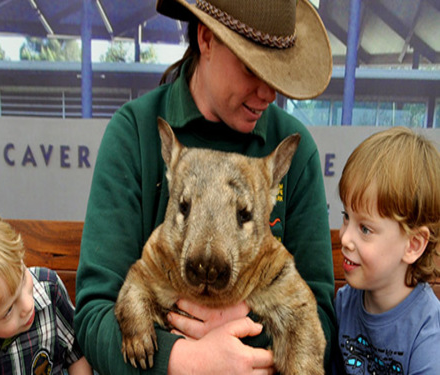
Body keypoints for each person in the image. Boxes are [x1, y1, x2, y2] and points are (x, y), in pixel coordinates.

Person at [75, 0, 337, 373]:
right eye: (252, 69)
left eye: (277, 74)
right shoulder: (136, 132)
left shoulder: (292, 147)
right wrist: (182, 360)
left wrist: (241, 333)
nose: (268, 93)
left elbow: (319, 320)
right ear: (207, 39)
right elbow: (94, 315)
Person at [0, 191, 93, 375]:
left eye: (22, 276)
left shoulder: (49, 291)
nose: (29, 305)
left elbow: (77, 354)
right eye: (8, 311)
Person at [334, 127, 440, 374]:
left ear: (413, 245)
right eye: (346, 217)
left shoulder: (428, 330)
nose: (345, 237)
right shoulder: (343, 305)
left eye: (365, 229)